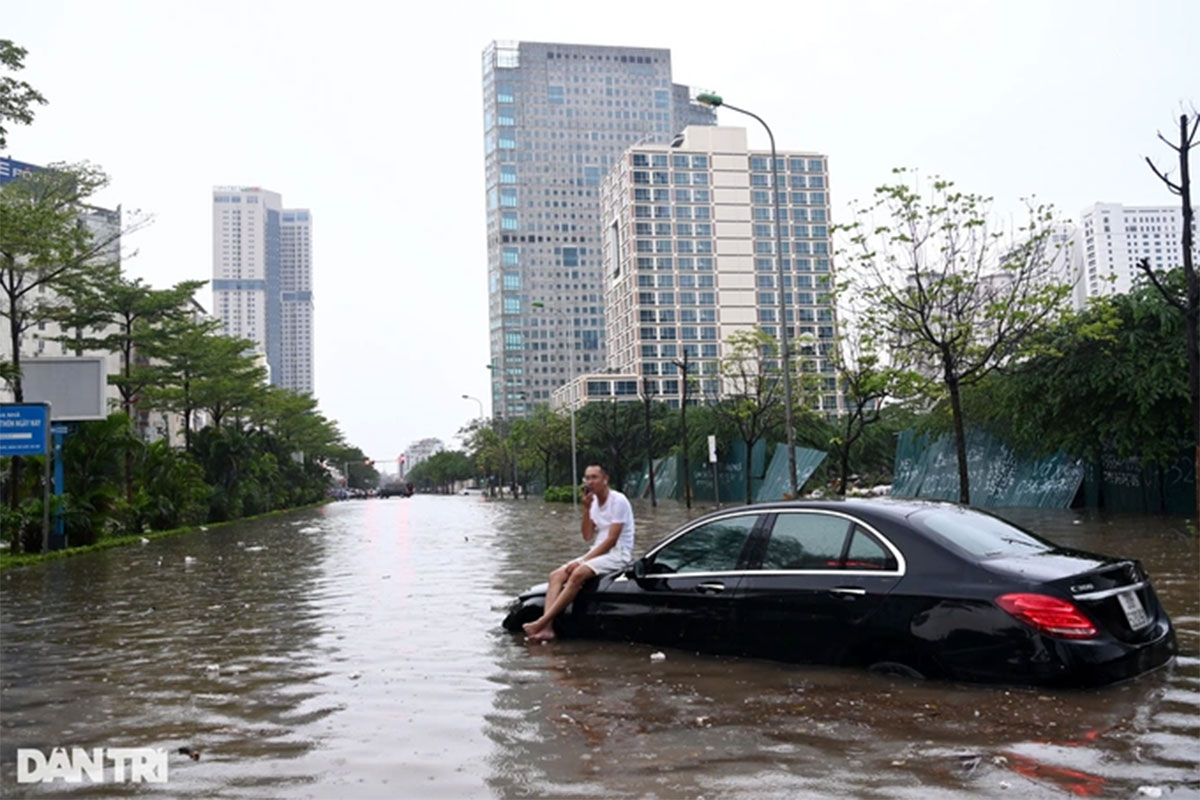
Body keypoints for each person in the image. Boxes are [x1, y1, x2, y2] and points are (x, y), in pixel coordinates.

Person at [523, 464, 635, 642]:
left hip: (617, 553)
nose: (590, 482)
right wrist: (586, 509)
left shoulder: (618, 501)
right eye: (587, 478)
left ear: (605, 480)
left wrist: (582, 562)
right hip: (598, 551)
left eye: (594, 477)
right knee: (555, 576)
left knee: (577, 573)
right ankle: (547, 629)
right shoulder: (593, 503)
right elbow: (588, 536)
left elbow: (612, 540)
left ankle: (542, 622)